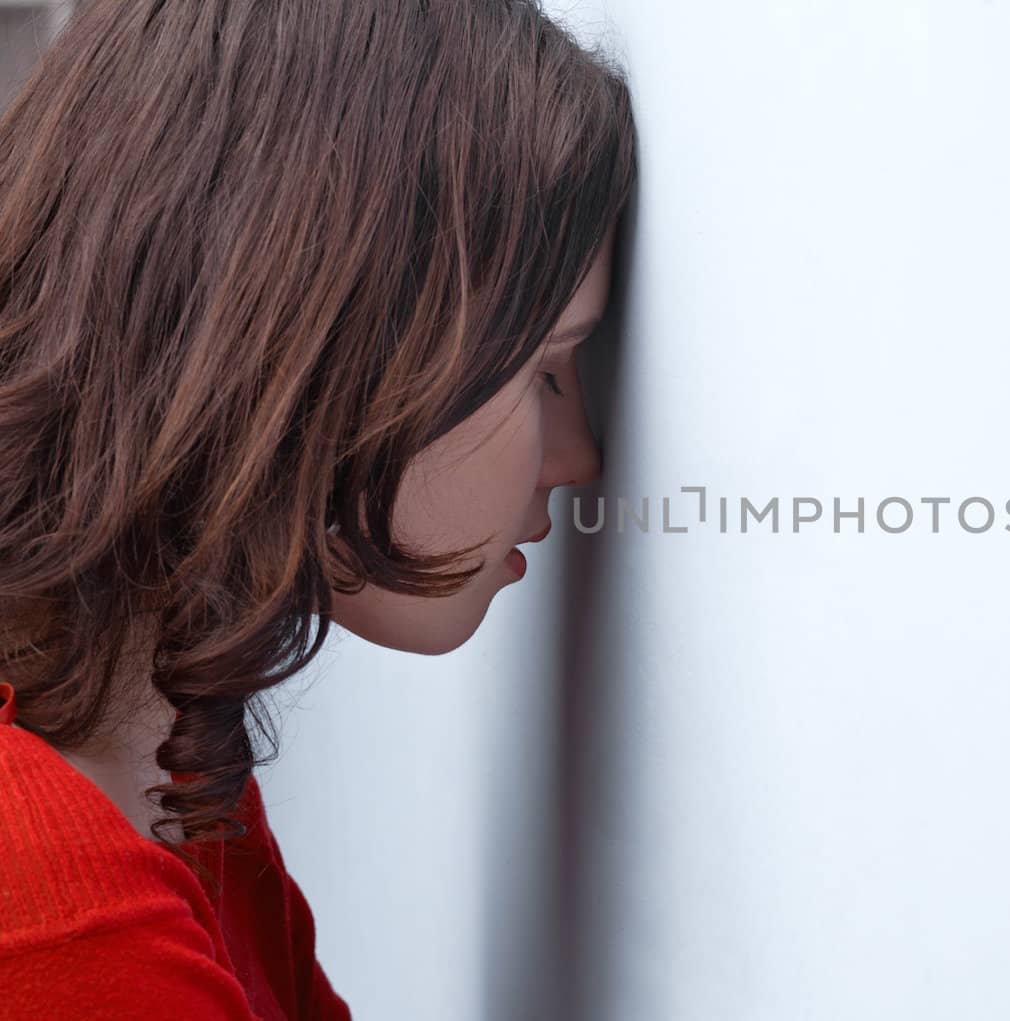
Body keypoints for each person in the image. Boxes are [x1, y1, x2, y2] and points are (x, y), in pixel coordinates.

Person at [0, 1, 637, 1017]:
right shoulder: (56, 919)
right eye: (546, 372)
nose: (580, 459)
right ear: (317, 343)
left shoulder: (170, 770)